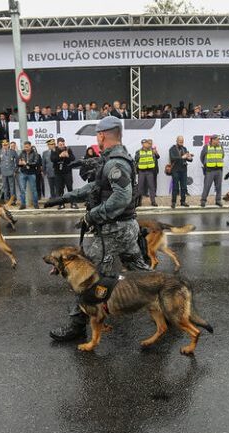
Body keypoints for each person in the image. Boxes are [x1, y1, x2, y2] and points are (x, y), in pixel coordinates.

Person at [43, 116, 150, 341]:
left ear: (102, 135)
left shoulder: (115, 162)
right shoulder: (118, 158)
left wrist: (91, 216)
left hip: (114, 230)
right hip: (127, 227)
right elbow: (96, 187)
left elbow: (121, 197)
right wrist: (63, 197)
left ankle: (76, 327)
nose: (97, 138)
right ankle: (165, 298)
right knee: (141, 272)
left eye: (97, 135)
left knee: (84, 276)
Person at [51, 137, 77, 209]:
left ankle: (73, 203)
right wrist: (60, 155)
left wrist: (67, 155)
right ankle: (61, 204)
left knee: (69, 187)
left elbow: (73, 158)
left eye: (63, 144)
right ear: (57, 144)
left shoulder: (68, 149)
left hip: (67, 172)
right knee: (59, 189)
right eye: (60, 144)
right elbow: (52, 159)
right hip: (58, 173)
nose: (62, 146)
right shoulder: (54, 150)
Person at [199, 135, 225, 207]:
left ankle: (218, 200)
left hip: (219, 170)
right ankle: (203, 200)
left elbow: (222, 155)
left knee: (218, 187)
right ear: (212, 140)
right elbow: (202, 157)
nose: (218, 141)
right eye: (217, 139)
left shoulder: (220, 146)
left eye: (218, 140)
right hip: (209, 170)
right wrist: (206, 164)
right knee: (207, 186)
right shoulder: (206, 147)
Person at [134, 138, 160, 207]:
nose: (147, 144)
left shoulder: (152, 151)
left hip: (150, 171)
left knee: (151, 187)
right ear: (142, 144)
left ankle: (153, 202)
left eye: (148, 143)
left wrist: (156, 152)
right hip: (141, 172)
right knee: (140, 188)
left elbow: (157, 157)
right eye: (146, 143)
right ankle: (138, 202)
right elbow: (136, 160)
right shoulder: (138, 151)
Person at [169, 136, 192, 208]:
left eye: (182, 141)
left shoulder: (184, 148)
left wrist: (189, 158)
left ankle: (183, 201)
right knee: (175, 187)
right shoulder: (172, 149)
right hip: (175, 170)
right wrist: (182, 157)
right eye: (180, 141)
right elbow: (172, 158)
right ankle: (173, 202)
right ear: (176, 140)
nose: (181, 142)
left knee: (184, 187)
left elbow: (189, 159)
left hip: (183, 170)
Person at [17, 141, 41, 209]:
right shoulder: (22, 153)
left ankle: (36, 204)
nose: (26, 148)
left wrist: (26, 164)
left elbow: (36, 163)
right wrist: (20, 163)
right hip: (23, 173)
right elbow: (18, 163)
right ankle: (23, 204)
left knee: (34, 190)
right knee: (22, 190)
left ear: (30, 146)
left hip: (32, 173)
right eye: (25, 147)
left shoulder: (35, 153)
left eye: (27, 147)